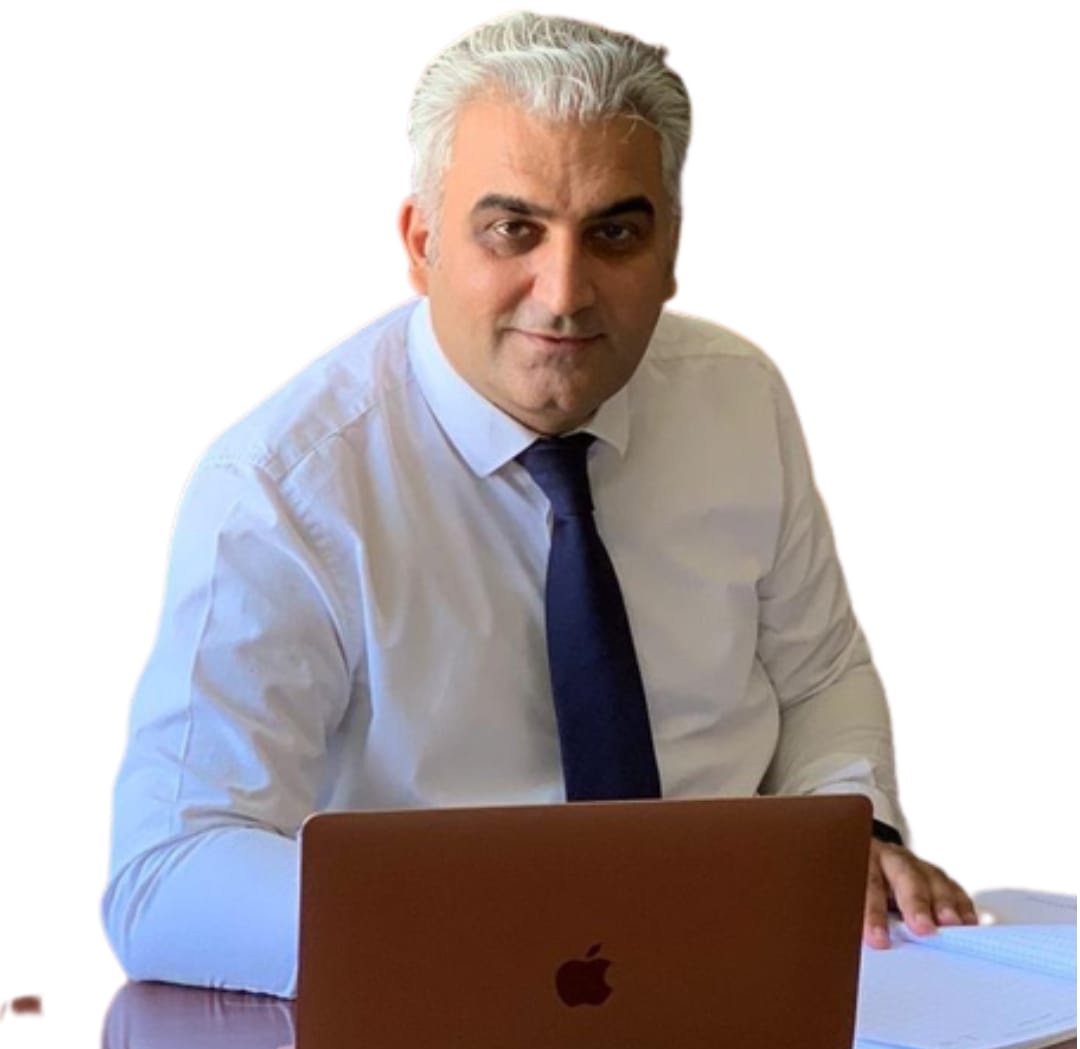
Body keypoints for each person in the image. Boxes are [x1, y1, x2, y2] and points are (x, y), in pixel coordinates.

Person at [103, 11, 977, 998]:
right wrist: (504, 938)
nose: (564, 293)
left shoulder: (738, 397)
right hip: (450, 1003)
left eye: (615, 233)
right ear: (422, 242)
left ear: (670, 248)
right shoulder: (280, 491)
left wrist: (854, 827)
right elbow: (167, 876)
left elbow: (818, 679)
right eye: (513, 229)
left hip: (740, 972)